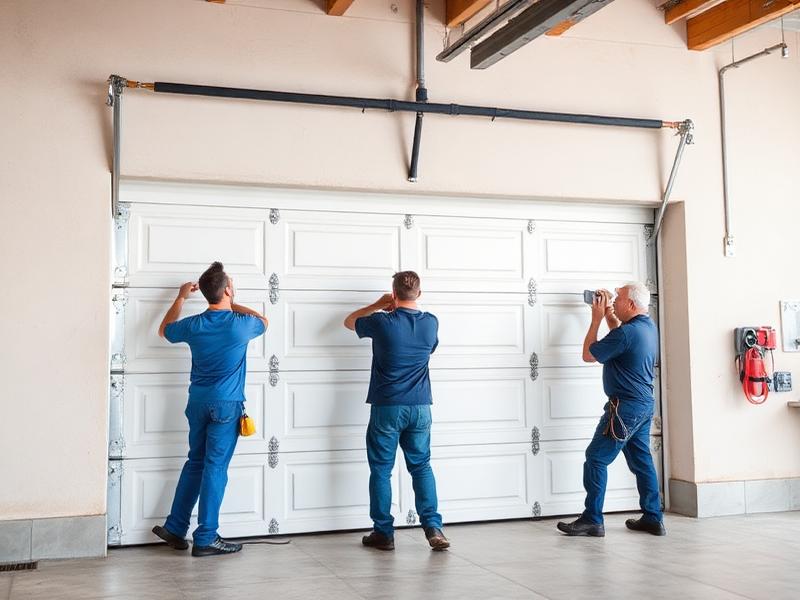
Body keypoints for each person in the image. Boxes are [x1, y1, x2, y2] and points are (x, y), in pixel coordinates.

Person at [151, 261, 268, 556]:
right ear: (228, 290)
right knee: (215, 468)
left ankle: (175, 527)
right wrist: (231, 301)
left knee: (196, 463)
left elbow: (165, 330)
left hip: (198, 403)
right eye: (230, 285)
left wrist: (180, 298)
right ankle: (206, 537)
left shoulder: (193, 325)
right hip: (226, 406)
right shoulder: (241, 324)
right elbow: (263, 321)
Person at [343, 271, 450, 551]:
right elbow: (430, 349)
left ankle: (383, 532)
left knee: (381, 470)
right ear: (420, 293)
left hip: (388, 407)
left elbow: (349, 322)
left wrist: (377, 305)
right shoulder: (431, 323)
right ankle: (433, 527)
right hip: (420, 407)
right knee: (421, 466)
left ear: (393, 293)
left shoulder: (380, 321)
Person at [557, 282, 665, 537]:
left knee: (596, 458)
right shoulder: (646, 327)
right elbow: (621, 339)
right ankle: (653, 517)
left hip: (625, 408)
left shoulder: (627, 333)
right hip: (643, 405)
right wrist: (607, 315)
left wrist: (595, 320)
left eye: (618, 298)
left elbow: (588, 354)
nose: (614, 301)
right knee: (642, 461)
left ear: (630, 304)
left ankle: (592, 519)